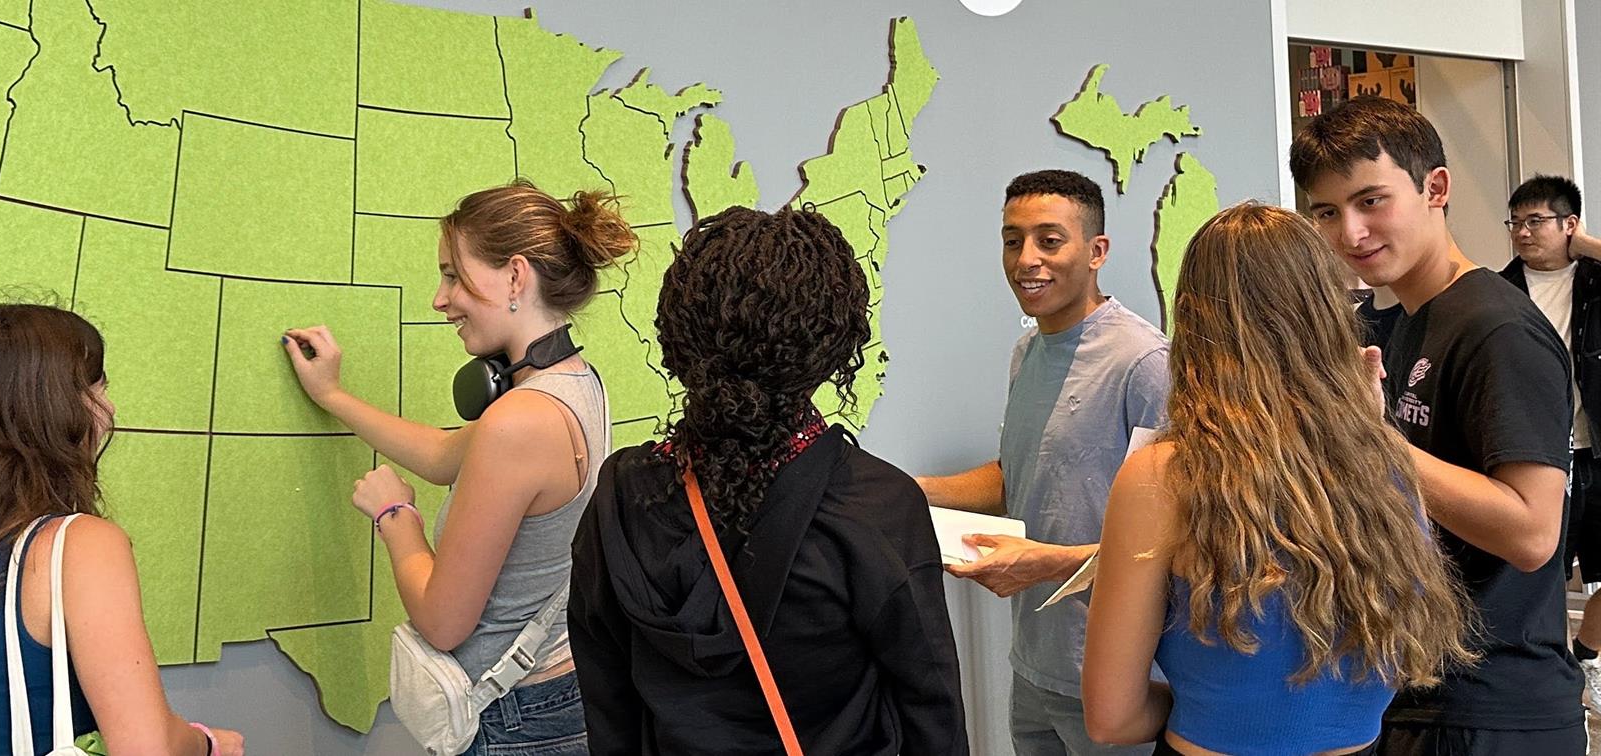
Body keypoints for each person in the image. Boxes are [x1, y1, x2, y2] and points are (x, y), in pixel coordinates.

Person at [569, 206, 968, 754]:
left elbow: (607, 701)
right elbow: (931, 709)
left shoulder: (622, 496)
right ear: (833, 342)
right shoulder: (876, 506)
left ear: (678, 335)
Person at [1080, 203, 1476, 755]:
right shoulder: (1385, 461)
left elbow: (1111, 718)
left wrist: (1210, 702)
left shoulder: (1163, 474)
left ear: (1192, 319)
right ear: (1328, 313)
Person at [283, 179, 635, 755]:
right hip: (553, 696)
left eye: (453, 274)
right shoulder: (572, 382)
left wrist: (395, 515)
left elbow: (443, 622)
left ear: (516, 277)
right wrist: (333, 397)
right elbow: (446, 457)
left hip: (511, 718)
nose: (440, 299)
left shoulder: (519, 421)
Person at [1292, 96, 1579, 753]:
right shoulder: (1412, 319)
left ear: (1436, 188)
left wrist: (1373, 443)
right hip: (1417, 687)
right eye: (1327, 213)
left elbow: (1533, 532)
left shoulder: (1496, 327)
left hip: (1493, 705)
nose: (1350, 234)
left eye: (1371, 202)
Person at [0, 303, 244, 755]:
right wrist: (208, 742)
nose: (107, 407)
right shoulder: (77, 545)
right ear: (49, 411)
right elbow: (147, 748)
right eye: (94, 389)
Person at [917, 169, 1168, 755]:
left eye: (1049, 240)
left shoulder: (1144, 363)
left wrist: (1047, 564)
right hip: (1033, 665)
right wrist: (913, 489)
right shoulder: (1027, 350)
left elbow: (1178, 539)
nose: (1027, 259)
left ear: (1097, 251)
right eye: (1013, 240)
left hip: (1117, 674)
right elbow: (1020, 475)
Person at [1499, 176, 1601, 705]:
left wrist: (1585, 247)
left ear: (1569, 224)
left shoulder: (1594, 282)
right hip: (1536, 454)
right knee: (1539, 572)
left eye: (1535, 220)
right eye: (1516, 221)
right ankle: (1550, 672)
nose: (1522, 232)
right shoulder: (1498, 290)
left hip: (1596, 449)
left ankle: (1584, 658)